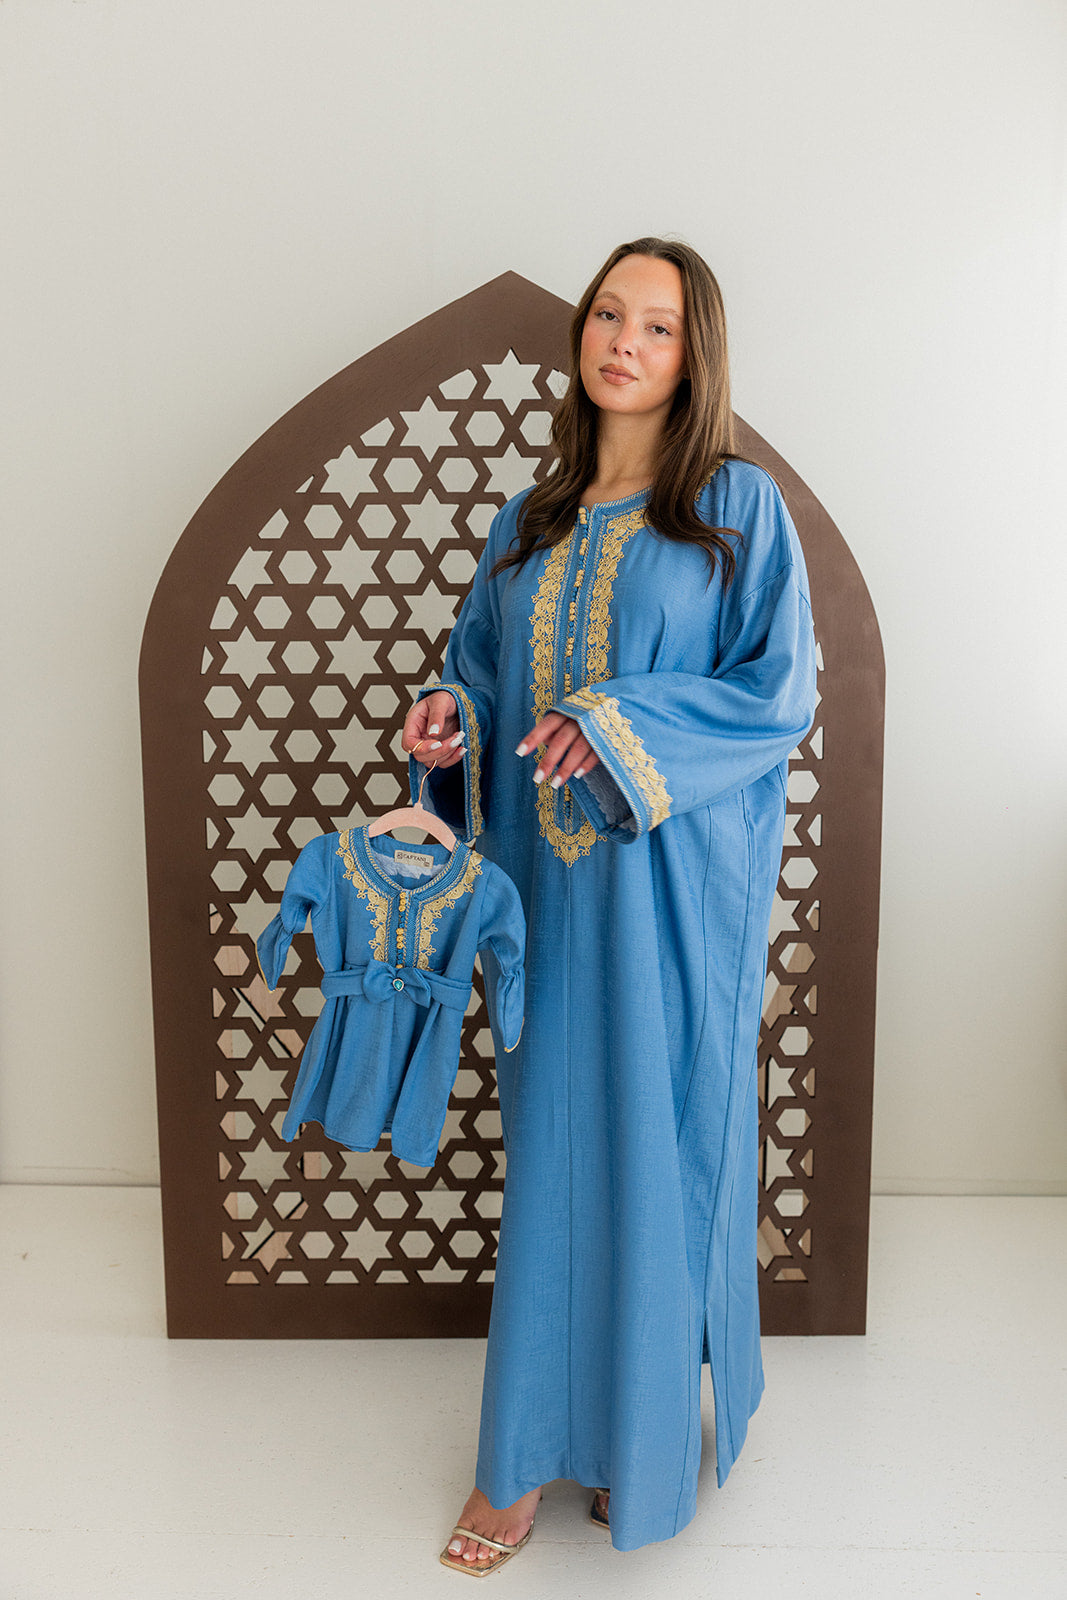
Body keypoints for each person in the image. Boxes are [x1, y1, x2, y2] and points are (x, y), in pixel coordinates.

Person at [400, 237, 818, 1571]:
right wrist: (449, 724)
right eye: (606, 314)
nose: (624, 342)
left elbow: (777, 696)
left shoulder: (736, 511)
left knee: (656, 1146)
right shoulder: (526, 526)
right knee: (555, 1160)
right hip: (545, 896)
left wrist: (619, 717)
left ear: (695, 358)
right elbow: (482, 680)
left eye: (659, 326)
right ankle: (527, 1451)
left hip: (668, 901)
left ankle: (635, 1443)